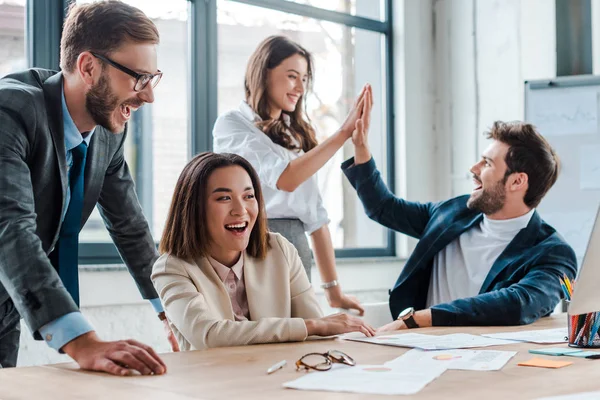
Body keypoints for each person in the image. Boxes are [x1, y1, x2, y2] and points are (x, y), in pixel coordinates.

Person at [0, 1, 176, 374]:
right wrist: (83, 342)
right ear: (89, 67)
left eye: (152, 78)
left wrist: (172, 307)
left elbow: (129, 226)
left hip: (6, 305)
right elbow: (9, 228)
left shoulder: (107, 133)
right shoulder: (9, 111)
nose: (148, 96)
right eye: (138, 78)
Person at [342, 110, 577, 330]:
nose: (473, 168)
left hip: (489, 362)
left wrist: (422, 318)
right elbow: (383, 208)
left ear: (517, 182)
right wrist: (361, 148)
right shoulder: (453, 212)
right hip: (417, 350)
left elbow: (519, 303)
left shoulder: (552, 253)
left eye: (487, 163)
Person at [213, 35, 373, 315]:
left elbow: (315, 216)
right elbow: (285, 179)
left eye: (304, 79)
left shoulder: (293, 136)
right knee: (261, 341)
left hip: (297, 250)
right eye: (292, 76)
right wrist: (342, 134)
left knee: (301, 345)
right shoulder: (232, 125)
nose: (300, 87)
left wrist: (334, 292)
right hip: (255, 247)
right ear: (263, 73)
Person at [152, 152, 375, 350]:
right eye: (224, 198)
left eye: (249, 196)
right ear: (193, 208)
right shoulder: (171, 268)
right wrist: (310, 326)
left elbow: (317, 334)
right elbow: (208, 335)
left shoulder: (279, 249)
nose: (241, 210)